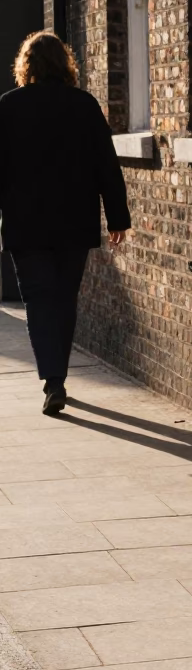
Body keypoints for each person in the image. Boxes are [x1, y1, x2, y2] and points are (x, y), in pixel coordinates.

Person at [0, 31, 131, 415]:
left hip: (27, 223)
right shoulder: (83, 105)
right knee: (64, 297)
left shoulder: (8, 106)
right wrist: (117, 216)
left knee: (39, 299)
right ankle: (58, 376)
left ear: (27, 66)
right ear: (65, 63)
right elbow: (106, 164)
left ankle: (53, 380)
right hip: (75, 220)